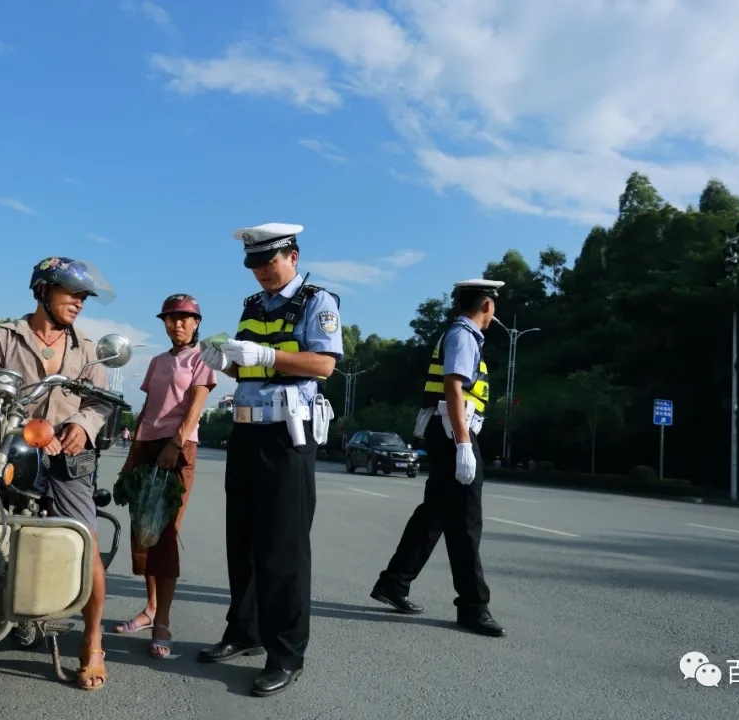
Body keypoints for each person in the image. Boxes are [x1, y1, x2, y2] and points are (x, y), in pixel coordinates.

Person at [0, 256, 118, 689]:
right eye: (70, 293)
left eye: (83, 297)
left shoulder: (87, 349)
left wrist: (81, 424)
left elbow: (100, 402)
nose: (78, 302)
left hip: (65, 456)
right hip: (7, 446)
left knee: (87, 542)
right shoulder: (3, 337)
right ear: (42, 291)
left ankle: (93, 640)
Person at [197, 222, 341, 697]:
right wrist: (224, 361)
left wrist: (268, 354)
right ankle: (244, 632)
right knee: (243, 541)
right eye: (254, 264)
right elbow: (245, 366)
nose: (261, 272)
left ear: (293, 257)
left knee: (283, 549)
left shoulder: (318, 302)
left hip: (287, 434)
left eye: (269, 262)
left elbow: (323, 364)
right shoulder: (253, 306)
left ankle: (286, 653)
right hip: (246, 430)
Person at [369, 278, 507, 638]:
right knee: (465, 521)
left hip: (447, 433)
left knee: (435, 514)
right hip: (453, 434)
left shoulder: (460, 333)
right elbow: (453, 387)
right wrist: (463, 444)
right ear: (487, 305)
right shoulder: (463, 335)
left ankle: (394, 583)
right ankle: (473, 607)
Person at [113, 293, 216, 658]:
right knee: (144, 532)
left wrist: (176, 443)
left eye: (185, 318)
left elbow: (196, 406)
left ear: (196, 323)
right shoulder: (157, 361)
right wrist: (132, 456)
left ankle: (163, 622)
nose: (178, 324)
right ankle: (150, 608)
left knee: (165, 533)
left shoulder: (202, 357)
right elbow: (148, 409)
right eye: (171, 318)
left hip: (177, 449)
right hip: (147, 447)